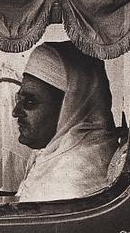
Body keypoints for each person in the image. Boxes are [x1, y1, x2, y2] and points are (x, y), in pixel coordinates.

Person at [12, 41, 120, 201]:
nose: (15, 112)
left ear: (69, 107)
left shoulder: (75, 175)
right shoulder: (55, 155)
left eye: (30, 102)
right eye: (18, 99)